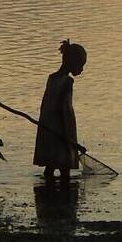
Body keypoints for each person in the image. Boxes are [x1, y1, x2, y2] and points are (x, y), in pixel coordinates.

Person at [34, 41, 88, 182]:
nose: (81, 69)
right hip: (61, 130)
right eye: (81, 65)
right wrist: (69, 137)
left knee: (50, 167)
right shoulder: (67, 82)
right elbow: (65, 109)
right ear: (72, 63)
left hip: (48, 129)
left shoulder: (52, 78)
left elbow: (46, 106)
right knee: (65, 168)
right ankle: (65, 201)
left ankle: (48, 196)